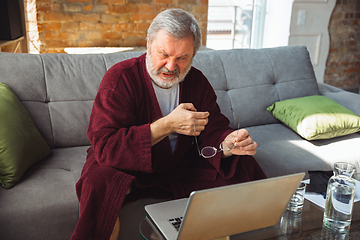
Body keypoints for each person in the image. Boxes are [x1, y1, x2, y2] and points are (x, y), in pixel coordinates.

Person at [70, 8, 266, 240]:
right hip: (127, 165)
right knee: (99, 182)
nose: (171, 66)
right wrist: (167, 125)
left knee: (243, 164)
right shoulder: (120, 79)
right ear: (148, 44)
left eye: (182, 58)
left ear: (193, 55)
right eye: (163, 54)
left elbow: (213, 129)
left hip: (179, 164)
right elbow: (105, 146)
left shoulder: (197, 82)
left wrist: (228, 143)